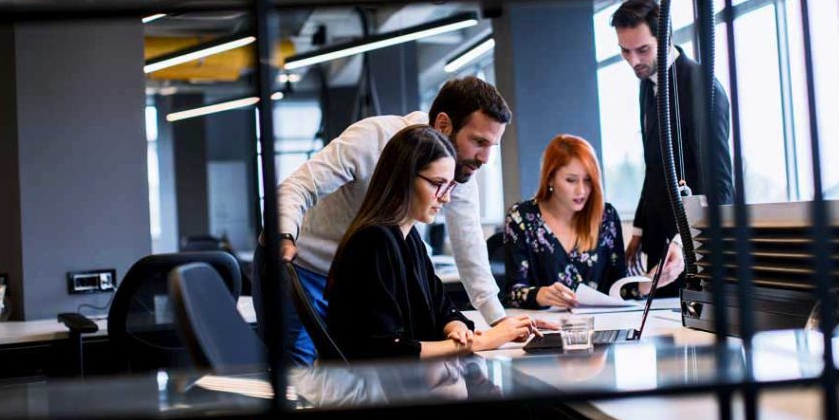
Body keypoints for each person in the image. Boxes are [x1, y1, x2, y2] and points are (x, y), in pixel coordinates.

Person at [272, 77, 518, 364]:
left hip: (367, 280)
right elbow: (298, 187)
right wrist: (284, 235)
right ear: (443, 125)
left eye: (492, 146)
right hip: (304, 266)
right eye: (479, 142)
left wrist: (499, 323)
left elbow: (470, 249)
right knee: (304, 381)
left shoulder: (452, 177)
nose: (485, 158)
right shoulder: (372, 139)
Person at [327, 125, 534, 360]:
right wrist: (482, 341)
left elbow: (440, 307)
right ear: (403, 178)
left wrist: (456, 328)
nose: (445, 197)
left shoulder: (409, 237)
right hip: (372, 391)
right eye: (437, 184)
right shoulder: (372, 242)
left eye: (449, 186)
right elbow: (386, 349)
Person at [610, 0, 735, 294]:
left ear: (665, 39)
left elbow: (720, 188)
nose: (633, 61)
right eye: (624, 51)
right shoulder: (647, 83)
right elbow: (656, 166)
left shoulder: (701, 88)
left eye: (642, 50)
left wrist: (684, 241)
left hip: (695, 249)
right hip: (661, 244)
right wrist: (639, 229)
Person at [504, 135, 683, 308]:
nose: (581, 190)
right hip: (544, 329)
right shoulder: (521, 218)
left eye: (588, 180)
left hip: (600, 327)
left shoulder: (606, 217)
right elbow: (513, 293)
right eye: (571, 180)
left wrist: (649, 282)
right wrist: (540, 295)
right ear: (550, 178)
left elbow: (617, 289)